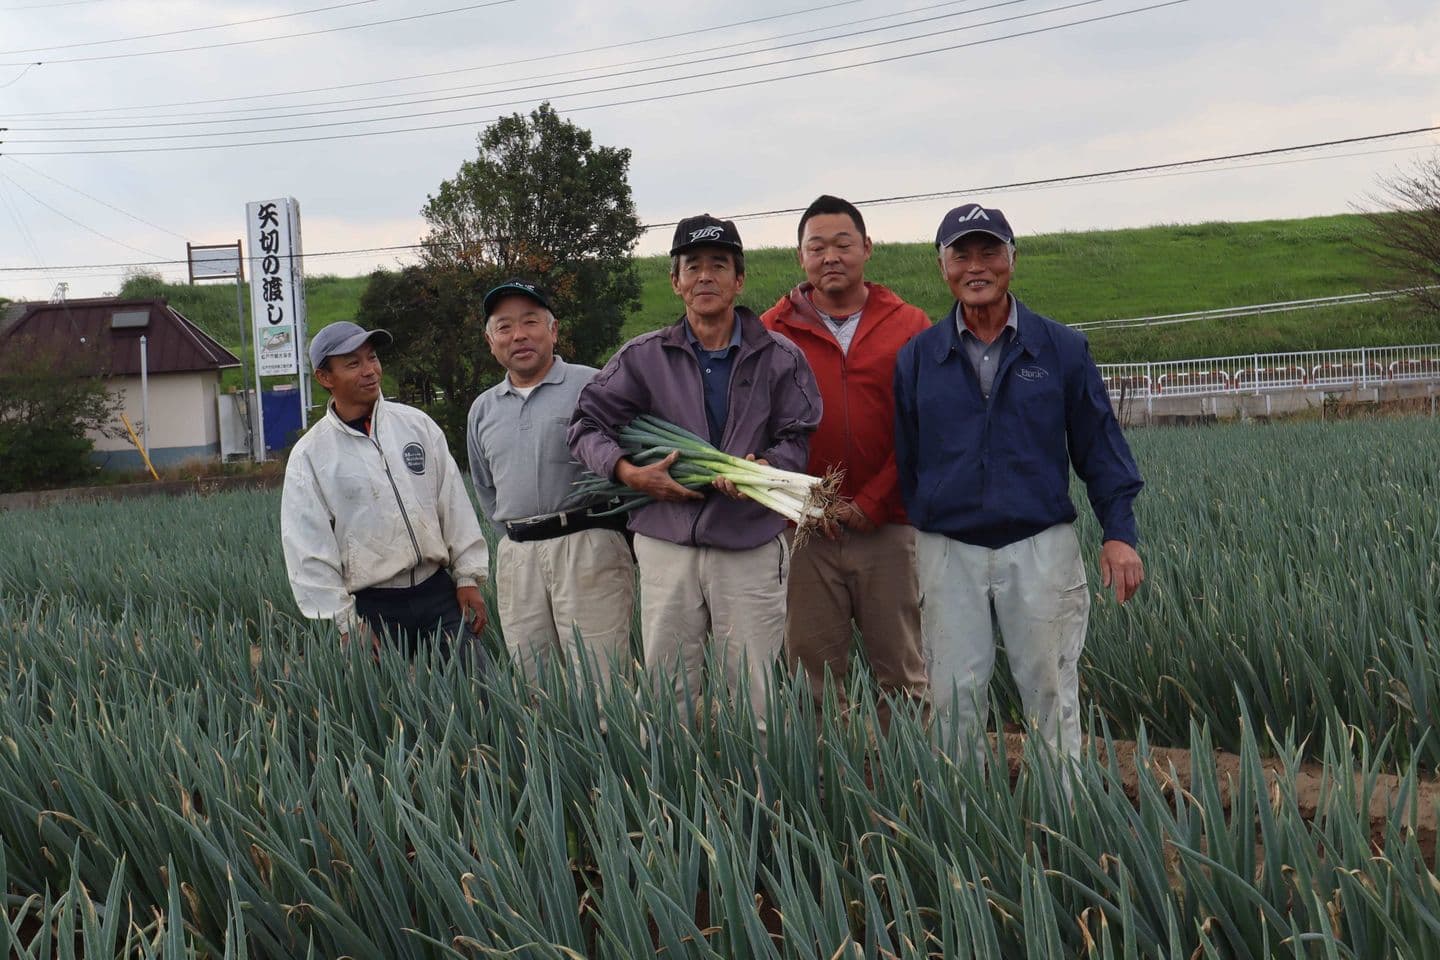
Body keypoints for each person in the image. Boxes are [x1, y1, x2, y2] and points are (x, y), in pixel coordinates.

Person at [894, 203, 1145, 762]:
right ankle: (963, 832)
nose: (976, 266)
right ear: (943, 266)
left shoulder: (1061, 350)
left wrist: (1119, 532)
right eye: (962, 254)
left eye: (990, 252)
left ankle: (1065, 827)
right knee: (953, 699)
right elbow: (908, 456)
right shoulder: (918, 358)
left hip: (1039, 545)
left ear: (1013, 259)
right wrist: (934, 518)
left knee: (1051, 694)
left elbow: (1100, 448)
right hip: (948, 549)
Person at [568, 214, 821, 723]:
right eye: (693, 266)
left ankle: (759, 797)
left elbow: (799, 433)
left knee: (757, 695)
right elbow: (585, 425)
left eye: (719, 265)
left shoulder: (778, 356)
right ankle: (668, 799)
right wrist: (626, 473)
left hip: (749, 545)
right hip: (667, 546)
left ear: (739, 278)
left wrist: (766, 468)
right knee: (666, 692)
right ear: (676, 280)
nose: (705, 276)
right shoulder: (643, 357)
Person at [760, 195, 929, 729]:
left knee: (902, 673)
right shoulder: (772, 331)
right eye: (817, 246)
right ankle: (830, 794)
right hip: (805, 531)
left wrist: (874, 502)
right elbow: (758, 428)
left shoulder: (908, 325)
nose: (830, 256)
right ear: (800, 257)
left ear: (867, 249)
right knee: (812, 676)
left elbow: (926, 429)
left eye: (842, 244)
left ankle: (913, 788)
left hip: (889, 528)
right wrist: (802, 502)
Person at [281, 321, 490, 660]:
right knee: (382, 711)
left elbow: (453, 505)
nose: (370, 371)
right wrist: (346, 622)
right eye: (353, 363)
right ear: (324, 377)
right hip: (371, 610)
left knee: (478, 697)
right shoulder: (310, 455)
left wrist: (467, 576)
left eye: (372, 358)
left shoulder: (417, 426)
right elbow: (308, 548)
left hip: (438, 594)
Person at [465, 279, 635, 686]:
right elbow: (486, 488)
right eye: (504, 327)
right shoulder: (483, 409)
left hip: (588, 545)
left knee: (603, 679)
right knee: (534, 681)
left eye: (530, 322)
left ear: (553, 330)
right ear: (491, 341)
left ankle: (616, 750)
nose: (518, 335)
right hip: (518, 556)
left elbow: (630, 464)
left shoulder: (593, 386)